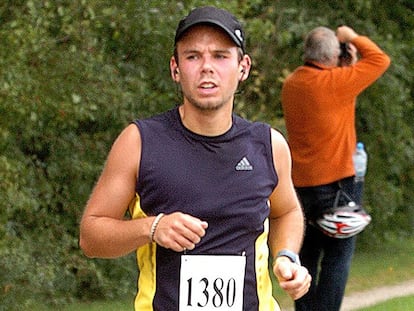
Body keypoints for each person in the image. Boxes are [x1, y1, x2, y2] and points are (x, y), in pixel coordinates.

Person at [79, 6, 311, 311]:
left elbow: (287, 212)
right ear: (175, 69)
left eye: (220, 56)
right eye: (193, 56)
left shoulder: (268, 145)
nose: (206, 67)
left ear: (243, 68)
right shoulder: (140, 141)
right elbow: (91, 237)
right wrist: (152, 228)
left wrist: (286, 257)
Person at [281, 25, 390, 311]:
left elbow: (335, 102)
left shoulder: (292, 84)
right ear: (333, 55)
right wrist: (351, 36)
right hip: (338, 187)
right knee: (337, 257)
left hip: (300, 188)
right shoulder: (337, 83)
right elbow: (380, 60)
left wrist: (344, 65)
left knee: (306, 258)